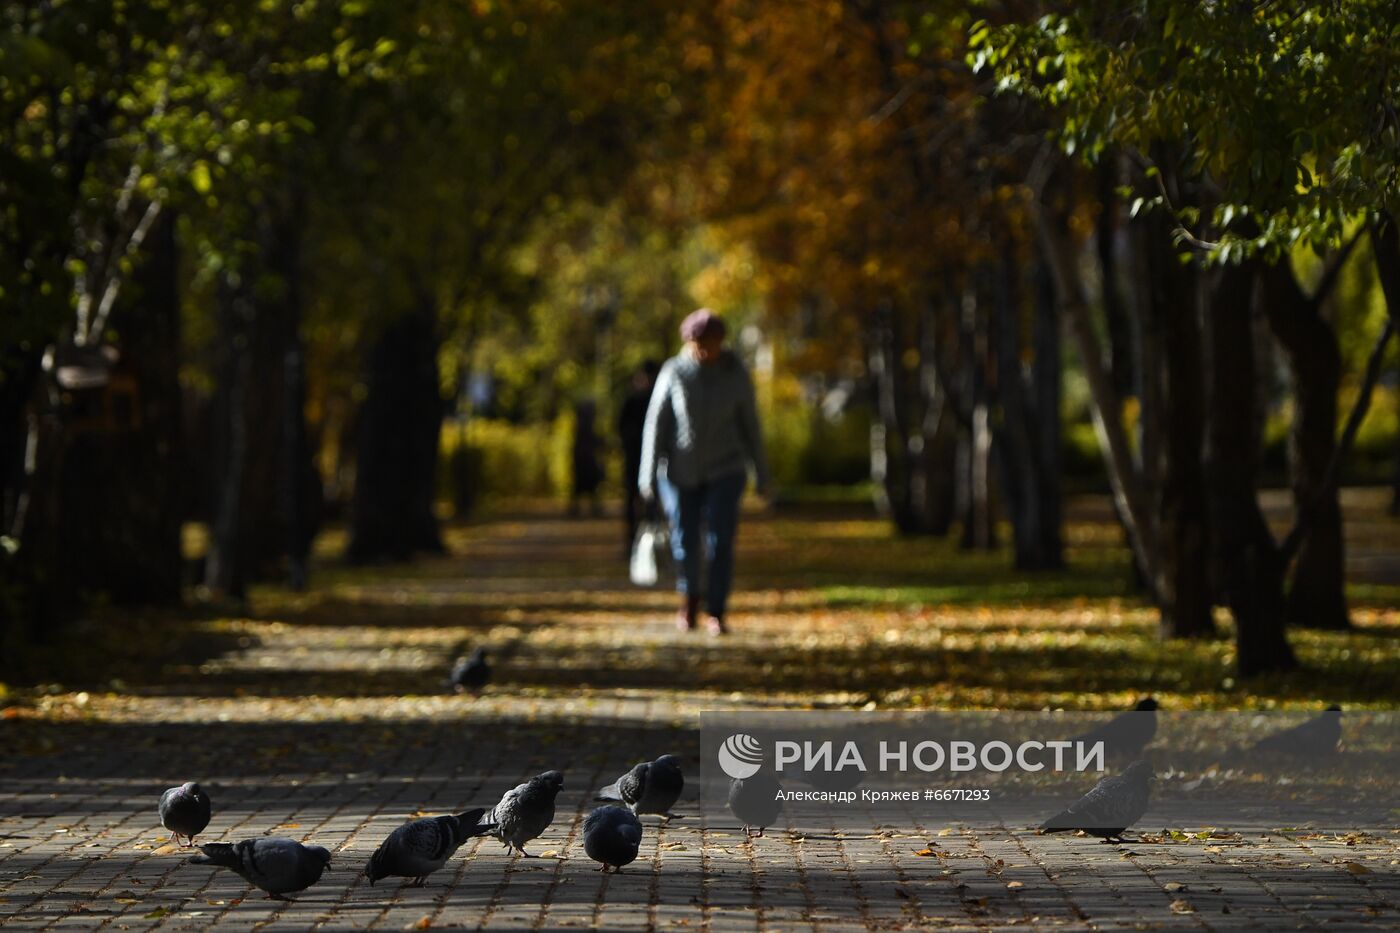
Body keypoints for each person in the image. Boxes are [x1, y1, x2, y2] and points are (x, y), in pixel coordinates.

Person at [639, 309, 769, 635]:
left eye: (710, 343)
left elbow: (750, 425)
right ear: (688, 342)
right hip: (679, 473)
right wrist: (647, 475)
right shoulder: (674, 371)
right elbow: (656, 423)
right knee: (685, 541)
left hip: (726, 469)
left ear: (721, 342)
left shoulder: (735, 373)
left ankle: (717, 610)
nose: (703, 350)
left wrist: (762, 474)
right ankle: (689, 600)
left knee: (720, 541)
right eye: (697, 343)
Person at [618, 360, 660, 554]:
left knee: (643, 502)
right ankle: (642, 542)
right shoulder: (645, 399)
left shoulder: (640, 399)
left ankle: (642, 543)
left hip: (640, 459)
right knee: (643, 502)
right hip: (639, 459)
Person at [569, 398, 603, 517]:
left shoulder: (582, 424)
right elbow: (590, 440)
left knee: (586, 486)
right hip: (584, 459)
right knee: (582, 486)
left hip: (584, 458)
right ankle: (576, 509)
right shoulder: (584, 425)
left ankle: (578, 509)